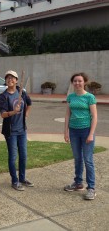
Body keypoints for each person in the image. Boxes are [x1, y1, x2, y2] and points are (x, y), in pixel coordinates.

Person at [64, 72, 97, 200]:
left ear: (84, 82)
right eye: (75, 81)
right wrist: (65, 132)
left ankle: (91, 188)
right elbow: (67, 115)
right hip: (73, 131)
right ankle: (78, 183)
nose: (77, 83)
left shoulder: (89, 97)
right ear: (72, 83)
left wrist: (91, 134)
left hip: (86, 131)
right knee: (77, 159)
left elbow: (94, 117)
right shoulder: (70, 97)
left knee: (88, 160)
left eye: (80, 81)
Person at [0, 70, 33, 191]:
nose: (10, 80)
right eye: (7, 78)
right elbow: (3, 114)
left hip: (22, 130)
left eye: (12, 78)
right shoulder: (4, 96)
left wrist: (26, 115)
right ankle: (15, 180)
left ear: (16, 80)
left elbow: (29, 104)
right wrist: (14, 112)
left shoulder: (21, 92)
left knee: (23, 155)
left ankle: (22, 178)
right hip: (11, 132)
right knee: (13, 156)